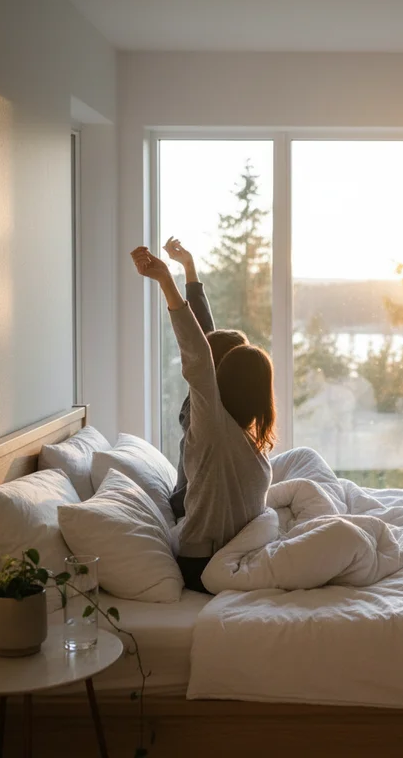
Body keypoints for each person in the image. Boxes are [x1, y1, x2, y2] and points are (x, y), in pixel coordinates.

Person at [131, 245, 275, 593]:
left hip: (229, 547)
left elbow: (204, 340)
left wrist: (189, 270)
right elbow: (198, 351)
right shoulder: (211, 423)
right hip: (204, 560)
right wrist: (167, 281)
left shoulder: (238, 431)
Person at [161, 237, 249, 520]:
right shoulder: (238, 402)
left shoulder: (209, 411)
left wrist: (165, 279)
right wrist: (188, 267)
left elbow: (195, 341)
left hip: (194, 510)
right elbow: (203, 330)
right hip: (209, 502)